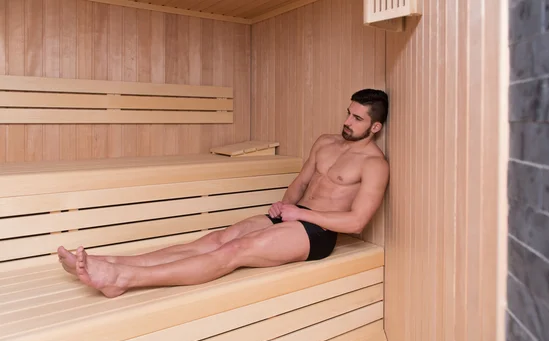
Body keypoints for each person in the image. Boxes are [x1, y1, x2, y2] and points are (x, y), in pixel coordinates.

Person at [57, 89, 390, 298]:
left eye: (357, 118)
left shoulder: (374, 164)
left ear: (374, 127)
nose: (347, 120)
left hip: (317, 233)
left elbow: (357, 222)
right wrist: (285, 206)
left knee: (236, 250)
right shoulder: (326, 141)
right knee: (217, 238)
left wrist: (299, 214)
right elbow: (301, 182)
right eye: (348, 111)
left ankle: (123, 278)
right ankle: (107, 261)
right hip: (290, 215)